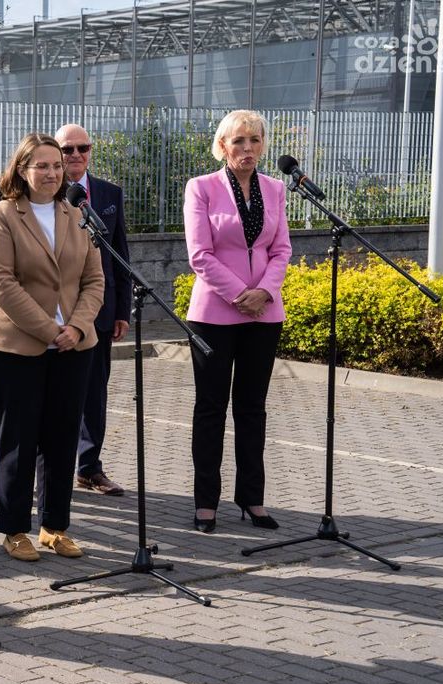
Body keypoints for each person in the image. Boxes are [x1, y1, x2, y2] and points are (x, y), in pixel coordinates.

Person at [0, 134, 105, 561]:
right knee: (17, 437)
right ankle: (14, 529)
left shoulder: (77, 214)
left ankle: (54, 526)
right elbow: (0, 281)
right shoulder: (2, 215)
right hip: (16, 345)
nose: (52, 173)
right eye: (42, 166)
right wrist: (49, 330)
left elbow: (94, 280)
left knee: (62, 436)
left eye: (57, 165)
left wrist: (76, 326)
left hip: (73, 345)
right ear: (22, 169)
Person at [183, 109, 292, 533]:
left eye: (255, 140)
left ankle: (252, 498)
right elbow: (200, 254)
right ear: (223, 146)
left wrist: (264, 291)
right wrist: (238, 295)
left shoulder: (276, 189)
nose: (248, 149)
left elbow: (281, 249)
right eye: (239, 141)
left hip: (264, 312)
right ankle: (205, 502)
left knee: (252, 408)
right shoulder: (202, 188)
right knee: (211, 408)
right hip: (214, 312)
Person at [55, 123, 132, 497]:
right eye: (67, 149)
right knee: (57, 394)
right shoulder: (44, 192)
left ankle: (89, 468)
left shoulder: (109, 193)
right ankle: (53, 468)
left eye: (82, 148)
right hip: (56, 313)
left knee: (94, 395)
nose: (75, 155)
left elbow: (121, 256)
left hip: (100, 312)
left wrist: (122, 312)